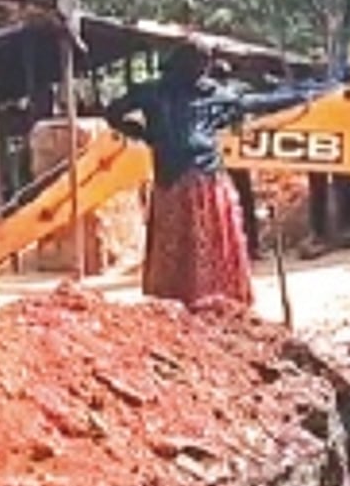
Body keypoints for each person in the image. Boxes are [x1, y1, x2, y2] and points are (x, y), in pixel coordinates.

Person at [106, 44, 253, 307]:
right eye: (198, 62)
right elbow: (114, 111)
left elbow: (238, 109)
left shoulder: (213, 93)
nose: (202, 68)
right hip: (174, 176)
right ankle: (179, 295)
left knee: (206, 235)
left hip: (206, 173)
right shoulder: (154, 91)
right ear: (183, 63)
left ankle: (217, 296)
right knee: (182, 237)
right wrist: (143, 133)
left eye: (205, 63)